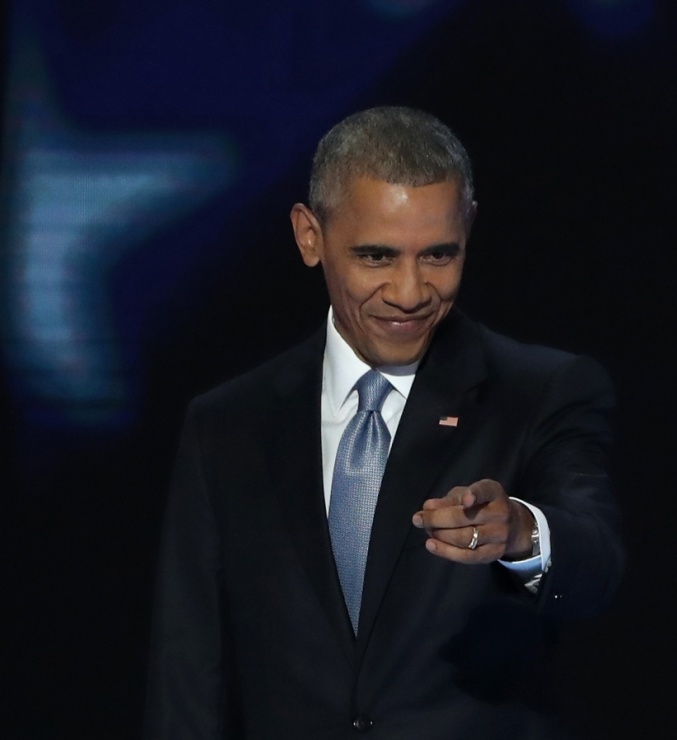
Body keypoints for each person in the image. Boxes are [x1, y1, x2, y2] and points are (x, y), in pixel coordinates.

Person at [144, 106, 624, 739]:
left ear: (468, 228)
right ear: (309, 236)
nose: (410, 291)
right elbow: (188, 666)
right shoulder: (227, 425)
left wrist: (522, 533)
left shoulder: (540, 393)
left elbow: (597, 570)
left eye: (438, 255)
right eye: (377, 257)